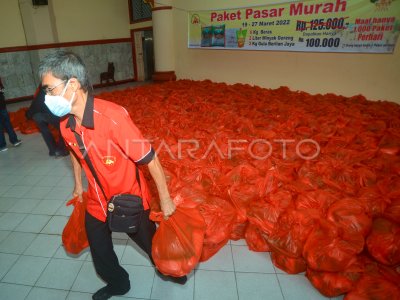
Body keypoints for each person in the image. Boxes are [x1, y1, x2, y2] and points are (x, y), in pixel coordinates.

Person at [38, 51, 186, 300]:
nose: (46, 97)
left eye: (49, 89)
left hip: (129, 199)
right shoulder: (66, 125)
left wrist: (166, 199)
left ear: (72, 84)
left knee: (149, 243)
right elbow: (76, 154)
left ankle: (169, 269)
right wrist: (77, 184)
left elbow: (150, 159)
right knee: (99, 249)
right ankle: (118, 283)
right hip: (96, 200)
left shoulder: (112, 117)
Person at [26, 84, 69, 157]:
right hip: (46, 112)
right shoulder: (54, 86)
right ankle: (62, 150)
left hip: (36, 113)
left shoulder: (42, 86)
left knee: (45, 131)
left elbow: (36, 100)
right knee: (62, 128)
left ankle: (53, 150)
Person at [0, 77, 22, 152]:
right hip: (2, 106)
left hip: (2, 106)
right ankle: (14, 141)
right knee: (7, 124)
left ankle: (2, 146)